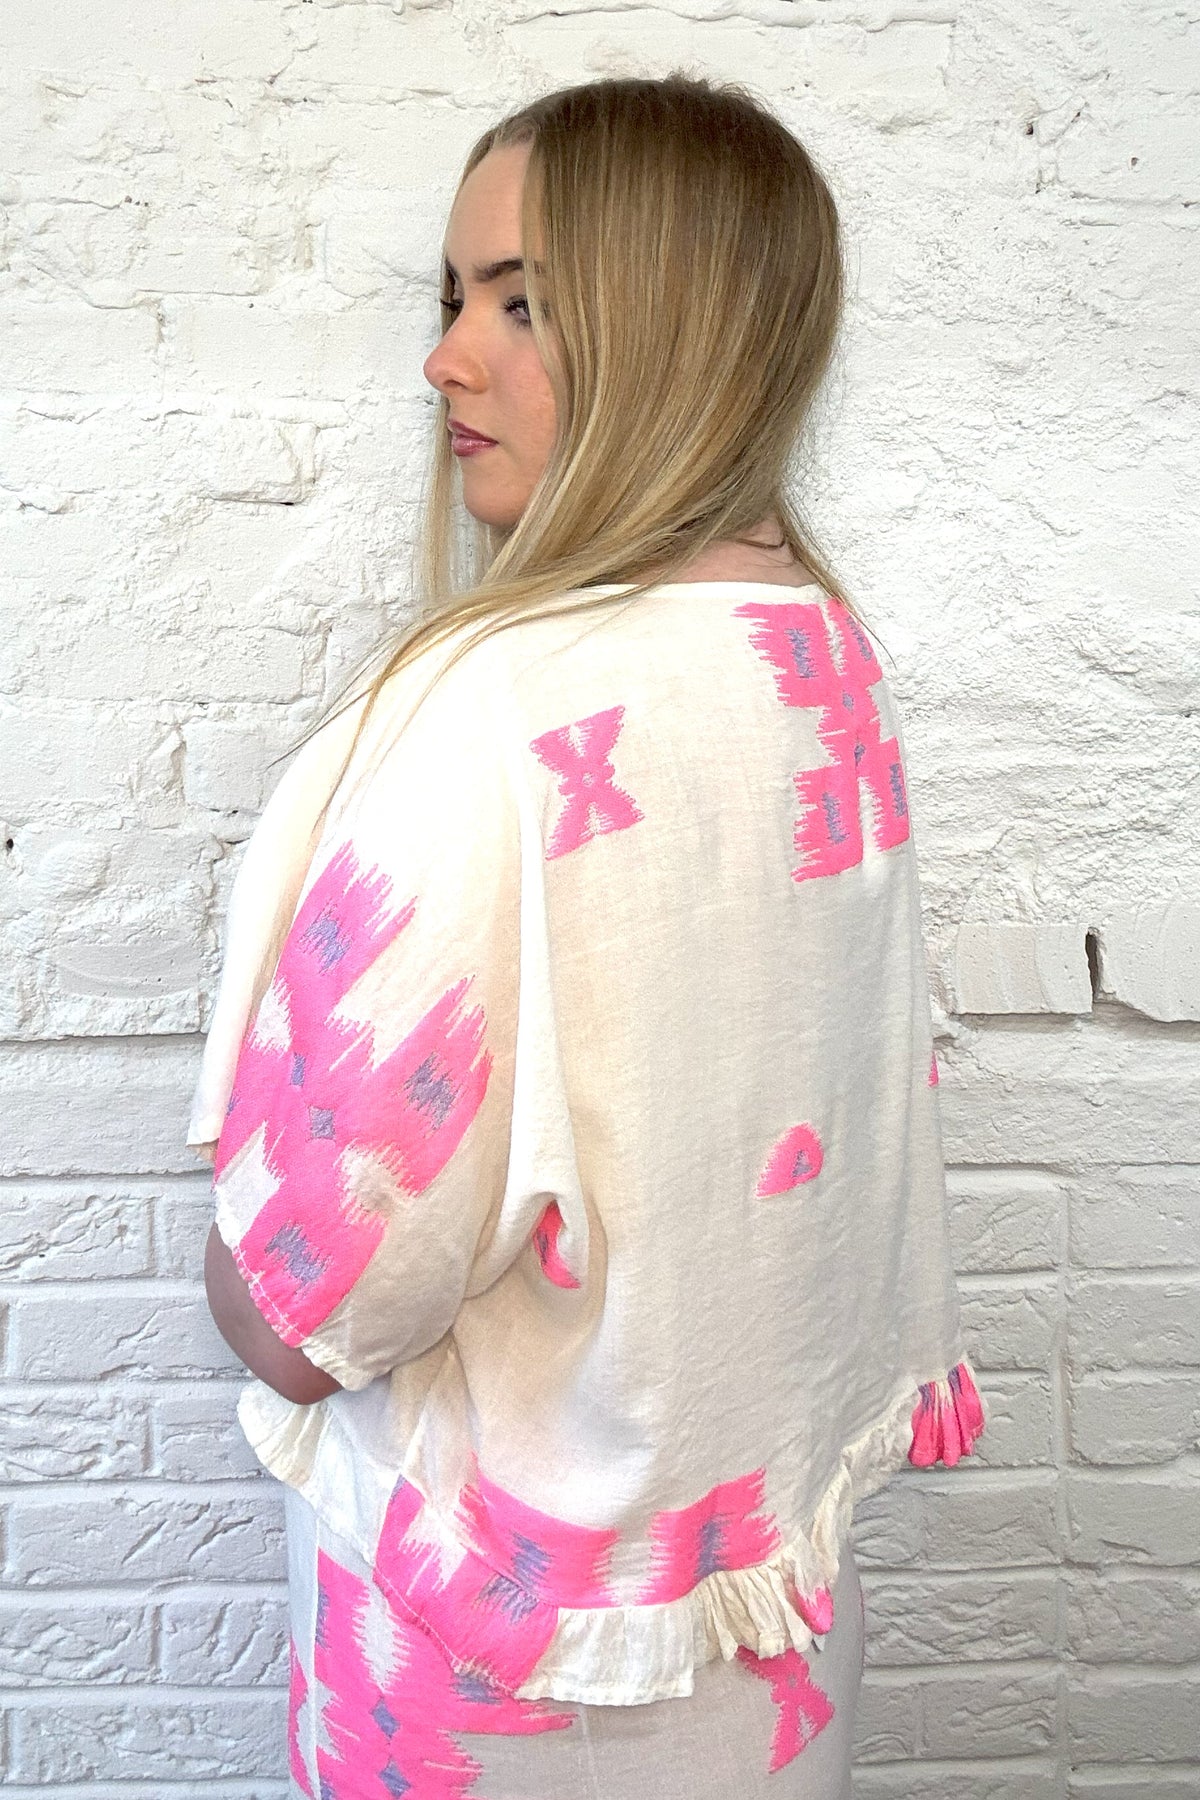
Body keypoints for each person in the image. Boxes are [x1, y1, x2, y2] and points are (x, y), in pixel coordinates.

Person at [196, 72, 986, 1800]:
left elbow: (304, 1314)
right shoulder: (821, 656)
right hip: (766, 1654)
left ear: (674, 333)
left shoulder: (490, 715)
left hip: (505, 1689)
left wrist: (243, 1276)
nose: (444, 361)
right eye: (453, 298)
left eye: (521, 304)